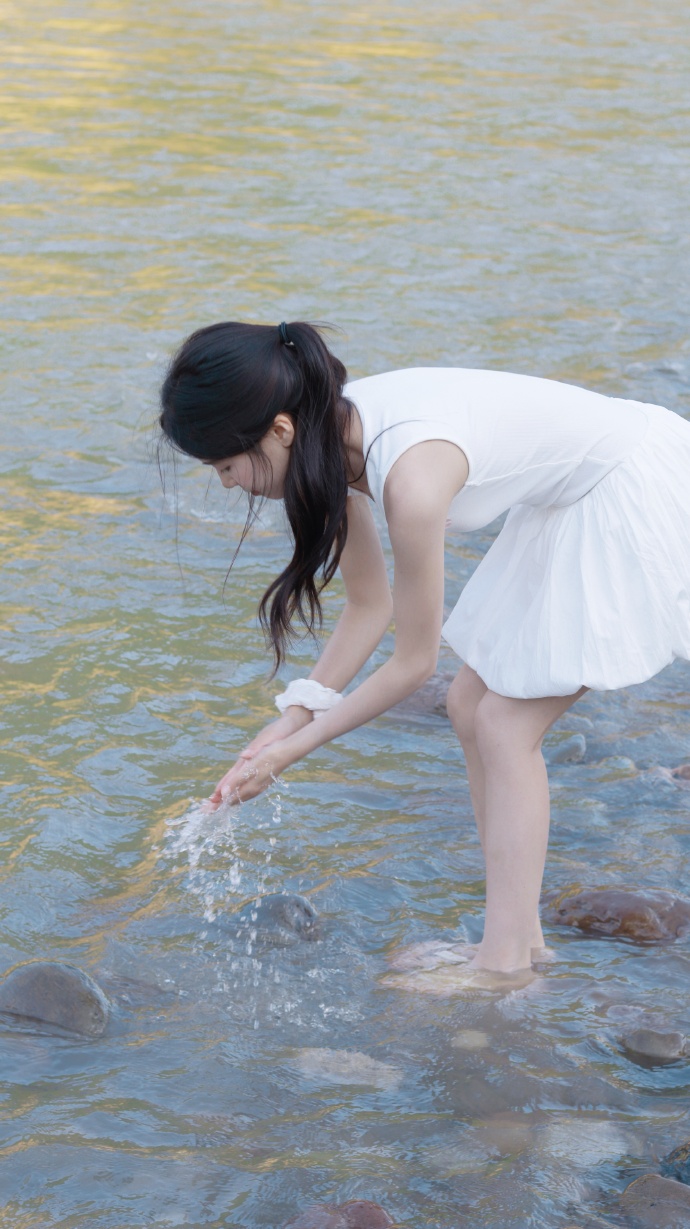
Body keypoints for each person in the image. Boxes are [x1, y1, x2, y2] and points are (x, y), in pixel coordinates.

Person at [159, 320, 690, 978]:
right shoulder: (331, 432)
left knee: (503, 721)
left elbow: (415, 663)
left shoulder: (408, 477)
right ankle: (521, 939)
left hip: (627, 482)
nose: (226, 483)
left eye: (224, 463)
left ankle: (503, 967)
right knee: (470, 703)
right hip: (566, 498)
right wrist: (287, 720)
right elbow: (368, 606)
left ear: (280, 430)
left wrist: (291, 755)